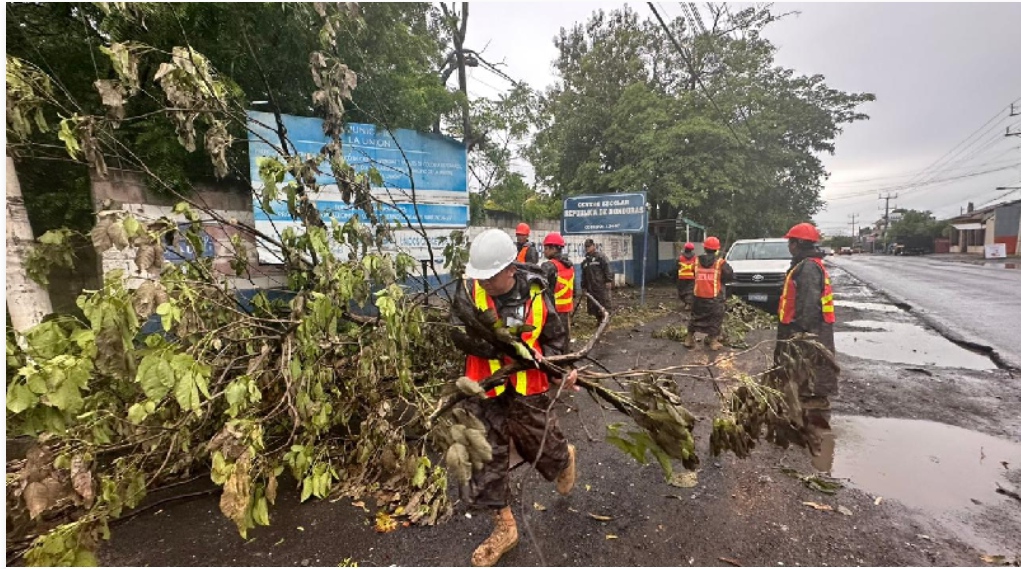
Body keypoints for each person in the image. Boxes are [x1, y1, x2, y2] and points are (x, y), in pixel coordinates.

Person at [450, 228, 578, 567]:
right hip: (484, 386)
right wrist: (499, 345)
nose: (485, 283)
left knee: (540, 445)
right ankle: (504, 528)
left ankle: (563, 458)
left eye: (491, 277)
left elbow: (555, 337)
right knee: (484, 455)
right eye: (481, 277)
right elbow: (458, 333)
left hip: (528, 386)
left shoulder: (536, 292)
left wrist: (561, 369)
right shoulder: (467, 289)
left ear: (510, 269)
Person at [773, 222, 838, 470]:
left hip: (809, 332)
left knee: (810, 379)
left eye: (790, 242)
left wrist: (801, 334)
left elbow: (809, 305)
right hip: (808, 330)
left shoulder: (809, 268)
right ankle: (804, 424)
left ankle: (816, 434)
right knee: (802, 379)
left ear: (798, 243)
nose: (789, 246)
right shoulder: (805, 265)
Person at [684, 236, 733, 351]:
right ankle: (713, 342)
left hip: (698, 296)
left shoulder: (696, 261)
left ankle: (688, 339)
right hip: (714, 298)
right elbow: (730, 275)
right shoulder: (720, 263)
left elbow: (693, 272)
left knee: (695, 318)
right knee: (715, 318)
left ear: (704, 248)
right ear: (716, 249)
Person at [540, 232, 576, 341]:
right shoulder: (569, 265)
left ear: (554, 249)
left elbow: (541, 287)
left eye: (546, 248)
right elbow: (573, 289)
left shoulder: (548, 266)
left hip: (552, 310)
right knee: (565, 336)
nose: (544, 251)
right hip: (566, 308)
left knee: (552, 339)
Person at [580, 238, 613, 319]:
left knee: (604, 302)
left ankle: (605, 320)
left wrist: (608, 280)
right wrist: (583, 286)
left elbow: (607, 268)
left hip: (601, 286)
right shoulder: (585, 262)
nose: (587, 248)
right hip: (590, 287)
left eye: (589, 246)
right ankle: (599, 320)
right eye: (586, 247)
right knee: (594, 305)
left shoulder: (601, 257)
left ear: (594, 246)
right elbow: (583, 275)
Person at [677, 242, 697, 311]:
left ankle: (687, 303)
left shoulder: (680, 257)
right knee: (690, 291)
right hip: (691, 277)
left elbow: (677, 266)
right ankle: (688, 303)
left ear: (685, 248)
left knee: (682, 290)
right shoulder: (695, 258)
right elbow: (696, 267)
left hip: (681, 277)